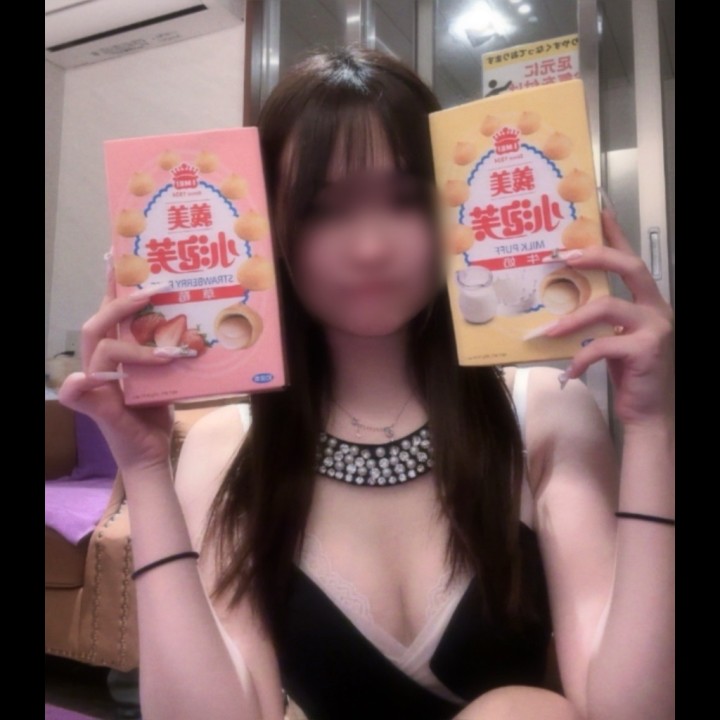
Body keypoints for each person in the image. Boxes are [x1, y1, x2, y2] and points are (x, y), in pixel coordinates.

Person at [58, 48, 674, 720]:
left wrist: (653, 428)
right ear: (272, 232)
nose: (371, 248)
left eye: (406, 200)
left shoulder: (544, 413)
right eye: (324, 210)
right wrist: (145, 471)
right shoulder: (229, 448)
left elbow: (633, 711)